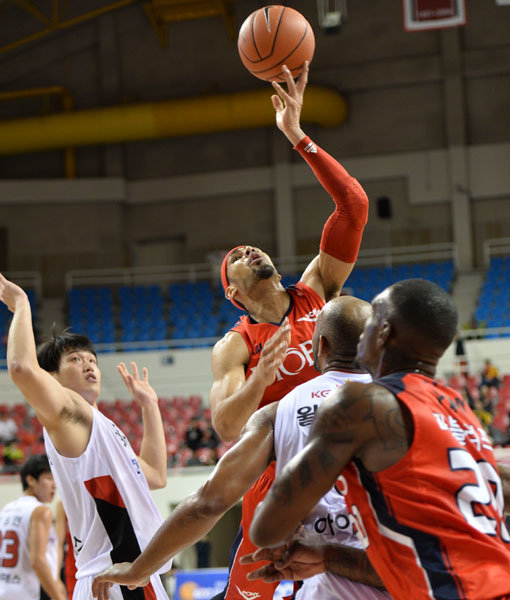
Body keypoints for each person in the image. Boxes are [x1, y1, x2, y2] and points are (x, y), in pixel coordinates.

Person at [90, 296, 388, 600]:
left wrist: (139, 569)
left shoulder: (279, 412)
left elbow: (208, 502)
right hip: (406, 579)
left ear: (321, 346)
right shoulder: (408, 404)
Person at [210, 61, 369, 599]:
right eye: (235, 257)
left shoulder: (317, 290)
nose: (247, 249)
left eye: (250, 247)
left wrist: (298, 137)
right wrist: (261, 378)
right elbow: (228, 425)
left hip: (346, 465)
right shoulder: (235, 345)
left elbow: (353, 205)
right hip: (276, 479)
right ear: (233, 293)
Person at [249, 279, 510, 600]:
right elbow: (434, 556)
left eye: (371, 321)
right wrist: (331, 555)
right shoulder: (457, 409)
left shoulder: (362, 404)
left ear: (383, 332)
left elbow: (268, 528)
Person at [0, 272, 171, 600]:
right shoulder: (69, 412)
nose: (89, 365)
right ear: (52, 377)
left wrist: (149, 406)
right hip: (112, 578)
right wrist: (21, 304)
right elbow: (22, 368)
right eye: (75, 360)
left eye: (91, 359)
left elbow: (154, 475)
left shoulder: (99, 425)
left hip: (132, 575)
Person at [0, 454, 67, 600]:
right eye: (49, 478)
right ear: (30, 480)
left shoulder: (6, 510)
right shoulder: (41, 511)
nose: (54, 485)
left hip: (5, 589)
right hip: (29, 592)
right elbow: (37, 561)